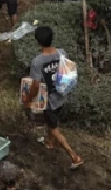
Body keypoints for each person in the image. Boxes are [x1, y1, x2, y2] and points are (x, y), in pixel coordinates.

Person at [24, 25, 84, 169]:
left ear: (38, 42)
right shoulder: (61, 53)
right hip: (62, 95)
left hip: (49, 101)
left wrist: (28, 99)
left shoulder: (37, 62)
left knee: (53, 128)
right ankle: (50, 143)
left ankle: (74, 156)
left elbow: (35, 86)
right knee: (52, 122)